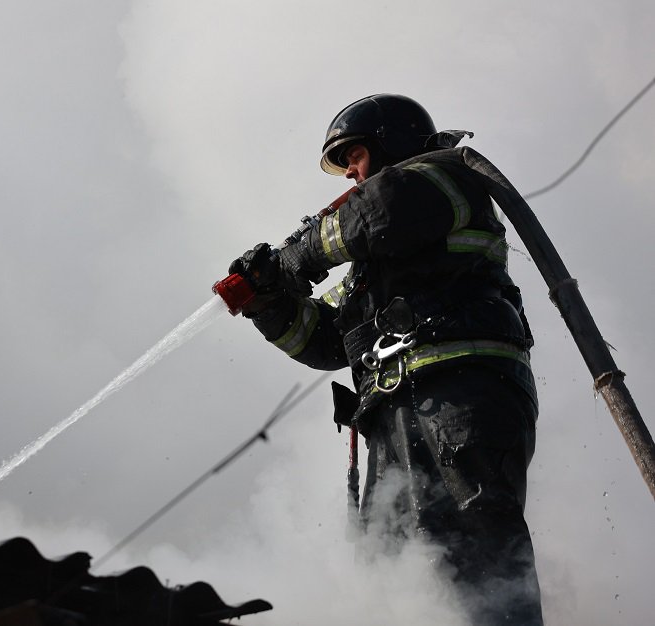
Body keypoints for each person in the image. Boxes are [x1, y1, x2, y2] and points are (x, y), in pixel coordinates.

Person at [228, 94, 543, 624]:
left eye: (354, 155)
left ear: (389, 143)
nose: (349, 173)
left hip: (461, 389)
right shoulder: (371, 268)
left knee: (477, 554)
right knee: (392, 568)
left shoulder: (442, 179)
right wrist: (269, 300)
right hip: (393, 412)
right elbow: (324, 340)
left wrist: (292, 257)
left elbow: (379, 210)